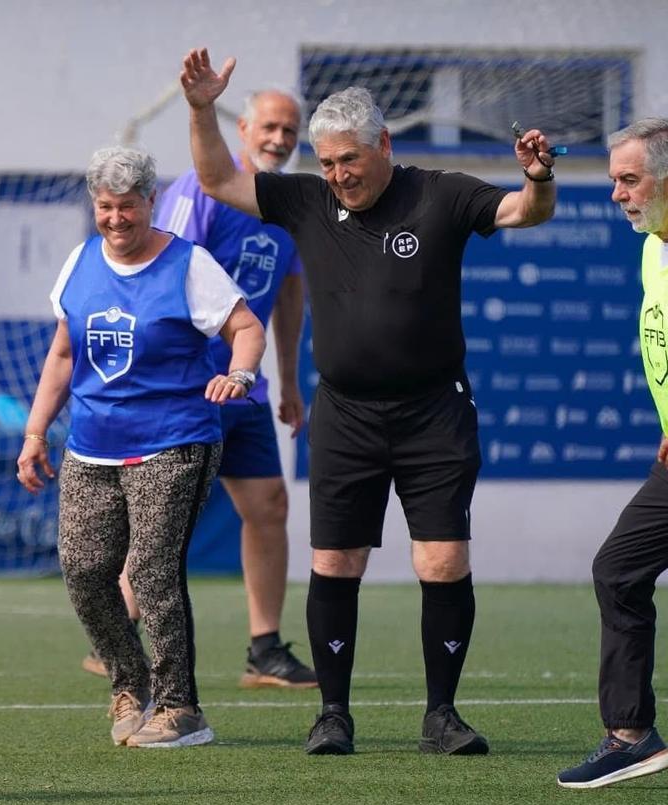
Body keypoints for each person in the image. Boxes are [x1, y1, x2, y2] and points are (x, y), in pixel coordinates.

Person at [180, 47, 557, 756]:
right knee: (335, 564)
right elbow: (217, 178)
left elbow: (522, 211)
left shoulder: (441, 193)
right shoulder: (307, 200)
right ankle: (332, 714)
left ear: (383, 144)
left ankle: (441, 715)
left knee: (441, 561)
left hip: (434, 413)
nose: (337, 175)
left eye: (349, 160)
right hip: (346, 414)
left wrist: (539, 177)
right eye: (325, 163)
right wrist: (201, 108)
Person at [17, 145, 266, 748]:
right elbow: (62, 353)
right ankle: (130, 685)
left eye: (128, 206)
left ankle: (182, 709)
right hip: (91, 447)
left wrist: (240, 374)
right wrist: (33, 432)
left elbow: (247, 327)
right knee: (83, 570)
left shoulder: (189, 263)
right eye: (105, 207)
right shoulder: (78, 262)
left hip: (174, 442)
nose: (116, 218)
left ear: (151, 202)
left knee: (152, 571)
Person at [81, 88, 314, 689]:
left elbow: (289, 293)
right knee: (163, 521)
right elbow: (161, 270)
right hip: (187, 389)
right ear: (243, 130)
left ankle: (264, 648)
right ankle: (118, 635)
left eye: (290, 131)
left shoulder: (285, 203)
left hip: (245, 387)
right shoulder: (200, 192)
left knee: (269, 508)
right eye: (269, 127)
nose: (279, 140)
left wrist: (287, 379)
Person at [557, 118, 668, 789]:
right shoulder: (654, 247)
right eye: (614, 181)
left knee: (618, 569)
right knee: (619, 570)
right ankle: (631, 734)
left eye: (629, 179)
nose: (616, 195)